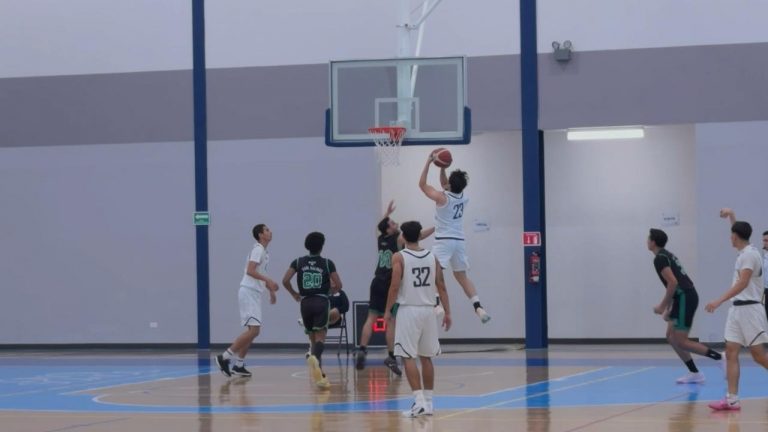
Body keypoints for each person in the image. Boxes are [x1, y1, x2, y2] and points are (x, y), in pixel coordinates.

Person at [356, 200, 434, 375]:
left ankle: (362, 349)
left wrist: (387, 213)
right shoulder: (398, 239)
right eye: (391, 223)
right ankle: (391, 357)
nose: (394, 222)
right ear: (389, 229)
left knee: (371, 318)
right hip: (388, 282)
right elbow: (418, 236)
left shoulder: (381, 238)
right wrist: (436, 228)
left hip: (376, 281)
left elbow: (378, 227)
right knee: (390, 320)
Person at [384, 220, 451, 417]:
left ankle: (419, 401)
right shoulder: (432, 256)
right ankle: (428, 403)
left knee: (408, 356)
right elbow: (442, 285)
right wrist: (448, 312)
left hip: (409, 310)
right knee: (426, 357)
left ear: (403, 236)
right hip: (429, 311)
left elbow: (394, 286)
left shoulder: (399, 256)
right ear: (420, 235)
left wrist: (387, 310)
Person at [704, 213, 768, 411]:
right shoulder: (744, 252)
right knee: (731, 352)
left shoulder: (750, 255)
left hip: (750, 310)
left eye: (731, 235)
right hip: (737, 310)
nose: (729, 238)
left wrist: (718, 301)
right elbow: (738, 229)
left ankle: (732, 398)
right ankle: (732, 399)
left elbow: (743, 283)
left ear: (735, 237)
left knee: (759, 356)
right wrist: (731, 216)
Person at [419, 154, 490, 323]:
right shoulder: (463, 197)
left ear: (450, 184)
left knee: (432, 272)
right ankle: (478, 306)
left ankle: (437, 305)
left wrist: (428, 162)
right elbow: (445, 184)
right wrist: (442, 168)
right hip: (459, 241)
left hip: (444, 240)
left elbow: (422, 185)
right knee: (462, 277)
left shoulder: (441, 198)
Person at [647, 228, 723, 383]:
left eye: (648, 238)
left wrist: (662, 306)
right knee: (671, 337)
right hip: (681, 297)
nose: (647, 241)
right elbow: (675, 282)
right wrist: (669, 308)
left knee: (681, 340)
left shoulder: (660, 258)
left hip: (685, 298)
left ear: (653, 242)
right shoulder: (666, 255)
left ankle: (720, 358)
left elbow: (673, 282)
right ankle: (695, 373)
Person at [215, 224, 279, 378]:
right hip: (248, 292)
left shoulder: (264, 252)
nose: (270, 231)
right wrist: (268, 281)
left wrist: (270, 290)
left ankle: (239, 365)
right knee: (254, 331)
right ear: (260, 235)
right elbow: (250, 271)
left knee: (253, 332)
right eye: (267, 230)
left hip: (254, 293)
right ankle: (223, 357)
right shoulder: (258, 249)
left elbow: (260, 273)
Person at [282, 232, 342, 390]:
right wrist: (330, 291)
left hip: (305, 303)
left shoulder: (298, 262)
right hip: (321, 301)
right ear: (322, 246)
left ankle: (320, 377)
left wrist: (294, 294)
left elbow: (285, 280)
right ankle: (313, 357)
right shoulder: (327, 263)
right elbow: (339, 285)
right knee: (320, 339)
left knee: (313, 340)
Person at [721, 208, 768, 319]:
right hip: (764, 293)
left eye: (767, 240)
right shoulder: (758, 255)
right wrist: (731, 215)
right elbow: (740, 235)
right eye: (764, 240)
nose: (765, 242)